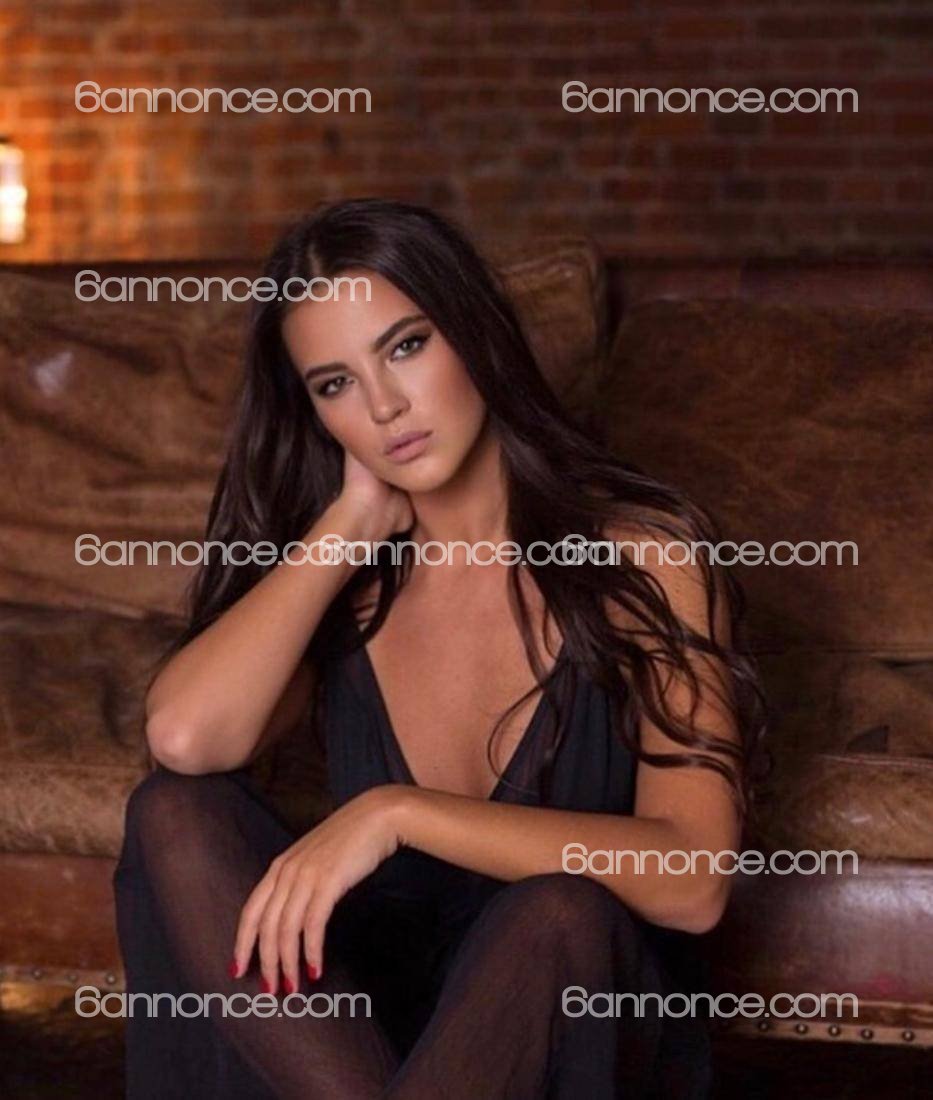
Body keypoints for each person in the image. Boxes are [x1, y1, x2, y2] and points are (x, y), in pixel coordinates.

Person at [112, 197, 766, 1099]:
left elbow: (692, 879)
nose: (384, 407)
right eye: (334, 385)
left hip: (569, 1013)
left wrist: (396, 813)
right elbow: (185, 738)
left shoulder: (640, 557)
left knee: (557, 909)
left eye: (405, 346)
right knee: (174, 811)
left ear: (472, 331)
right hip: (365, 1042)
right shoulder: (349, 586)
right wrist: (349, 525)